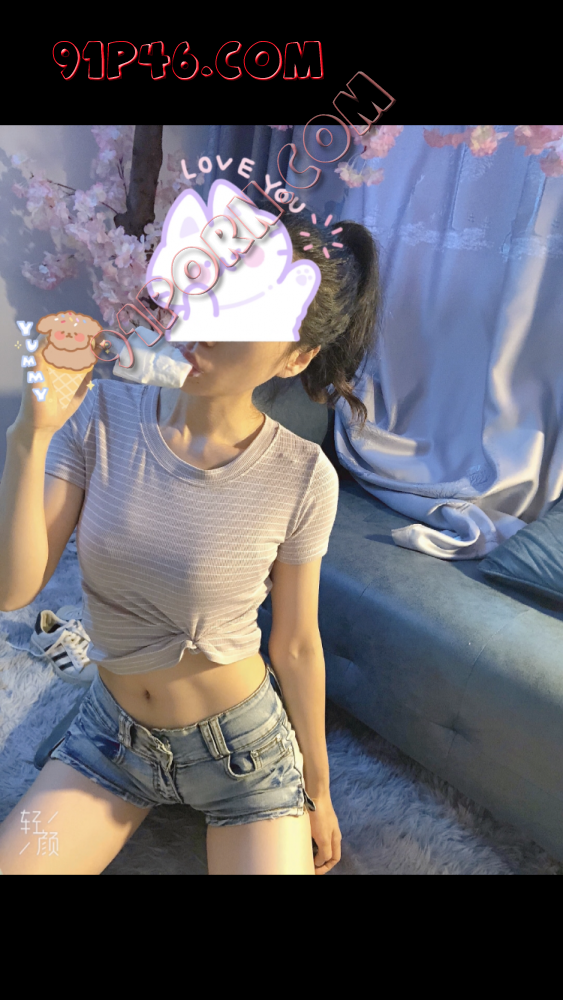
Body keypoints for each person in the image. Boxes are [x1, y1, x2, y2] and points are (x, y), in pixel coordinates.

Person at [0, 213, 381, 875]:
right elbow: (15, 589)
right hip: (110, 738)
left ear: (295, 357)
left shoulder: (302, 476)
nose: (204, 328)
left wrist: (318, 791)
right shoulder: (98, 416)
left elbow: (295, 644)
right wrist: (29, 434)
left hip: (244, 756)